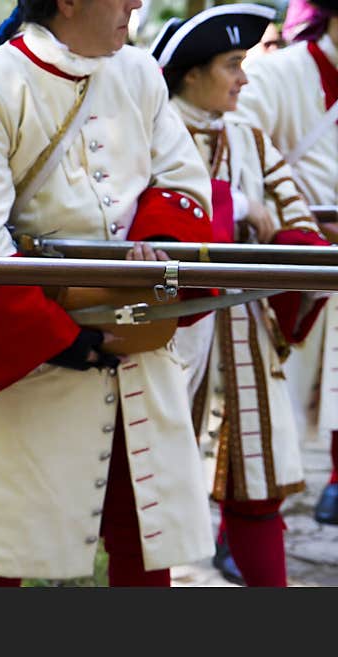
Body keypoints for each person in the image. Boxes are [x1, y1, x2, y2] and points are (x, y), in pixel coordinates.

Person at [0, 0, 216, 587]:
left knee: (147, 537)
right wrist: (63, 337)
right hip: (34, 351)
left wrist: (157, 258)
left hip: (139, 338)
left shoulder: (139, 72)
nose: (136, 4)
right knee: (2, 545)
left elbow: (181, 180)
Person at [151, 3, 331, 587]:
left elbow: (298, 226)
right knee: (147, 502)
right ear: (191, 73)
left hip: (242, 330)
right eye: (233, 65)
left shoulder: (250, 139)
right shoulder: (150, 133)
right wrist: (239, 214)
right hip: (165, 334)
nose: (245, 79)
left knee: (258, 488)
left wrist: (272, 226)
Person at [231, 0, 338, 526]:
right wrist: (302, 226)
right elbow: (235, 155)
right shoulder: (278, 74)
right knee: (268, 413)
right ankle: (242, 524)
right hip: (291, 264)